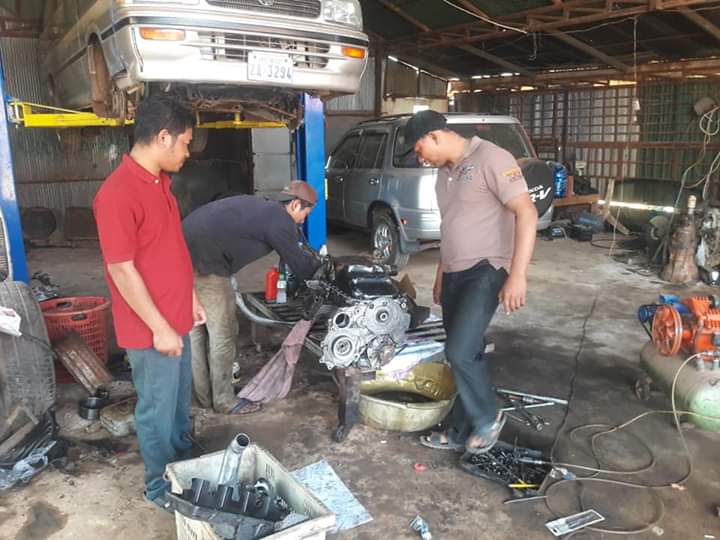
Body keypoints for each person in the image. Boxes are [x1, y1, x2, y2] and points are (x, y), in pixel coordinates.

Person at [93, 97, 206, 511]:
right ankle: (159, 488)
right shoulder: (117, 194)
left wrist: (190, 297)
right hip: (151, 330)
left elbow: (170, 249)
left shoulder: (161, 185)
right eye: (185, 142)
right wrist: (160, 328)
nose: (187, 152)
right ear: (163, 138)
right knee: (156, 411)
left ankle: (180, 465)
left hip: (175, 319)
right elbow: (121, 269)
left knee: (177, 405)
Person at [406, 110, 538, 455]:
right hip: (455, 272)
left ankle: (488, 416)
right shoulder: (443, 175)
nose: (420, 159)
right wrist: (441, 273)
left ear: (435, 136)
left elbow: (526, 212)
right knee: (466, 352)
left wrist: (517, 275)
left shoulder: (492, 158)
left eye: (419, 150)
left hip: (487, 268)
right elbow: (450, 227)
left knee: (459, 350)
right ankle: (460, 430)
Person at [182, 182, 321, 414]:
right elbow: (301, 266)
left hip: (181, 257)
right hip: (206, 266)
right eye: (306, 213)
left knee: (196, 331)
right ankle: (224, 400)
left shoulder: (264, 210)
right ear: (296, 205)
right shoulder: (280, 220)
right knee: (222, 334)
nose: (303, 220)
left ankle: (203, 397)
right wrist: (323, 272)